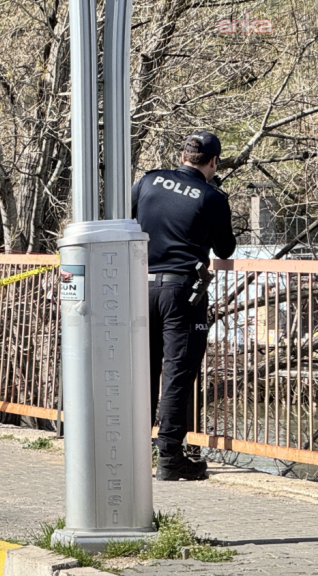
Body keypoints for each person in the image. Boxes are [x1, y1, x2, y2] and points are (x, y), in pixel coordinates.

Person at [133, 131, 236, 481]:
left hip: (140, 288)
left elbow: (126, 222)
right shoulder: (211, 197)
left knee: (142, 371)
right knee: (177, 374)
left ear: (182, 155)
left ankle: (134, 450)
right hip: (182, 293)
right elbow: (225, 250)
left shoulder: (148, 181)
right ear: (213, 162)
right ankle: (170, 459)